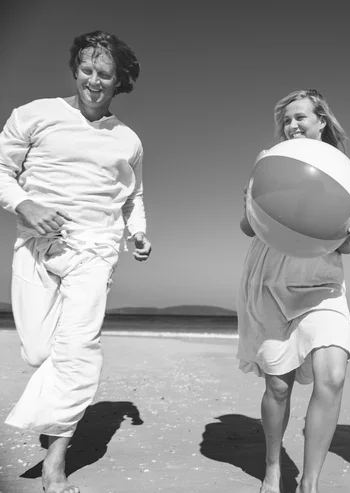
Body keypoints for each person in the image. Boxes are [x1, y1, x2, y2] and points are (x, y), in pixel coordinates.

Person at [0, 31, 151, 493]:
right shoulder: (35, 113)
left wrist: (138, 232)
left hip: (95, 249)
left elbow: (133, 196)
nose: (93, 80)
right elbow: (2, 170)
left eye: (104, 73)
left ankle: (55, 460)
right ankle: (57, 411)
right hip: (36, 244)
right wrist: (25, 205)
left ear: (119, 80)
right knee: (41, 352)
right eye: (87, 69)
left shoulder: (128, 140)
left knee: (77, 352)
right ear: (75, 69)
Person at [237, 89, 350, 493]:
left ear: (322, 121)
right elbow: (246, 225)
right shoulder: (269, 160)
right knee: (278, 385)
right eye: (288, 119)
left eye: (301, 117)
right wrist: (255, 209)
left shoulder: (343, 170)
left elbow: (346, 242)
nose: (293, 125)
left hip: (322, 285)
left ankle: (309, 484)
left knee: (334, 374)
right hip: (271, 279)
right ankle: (273, 467)